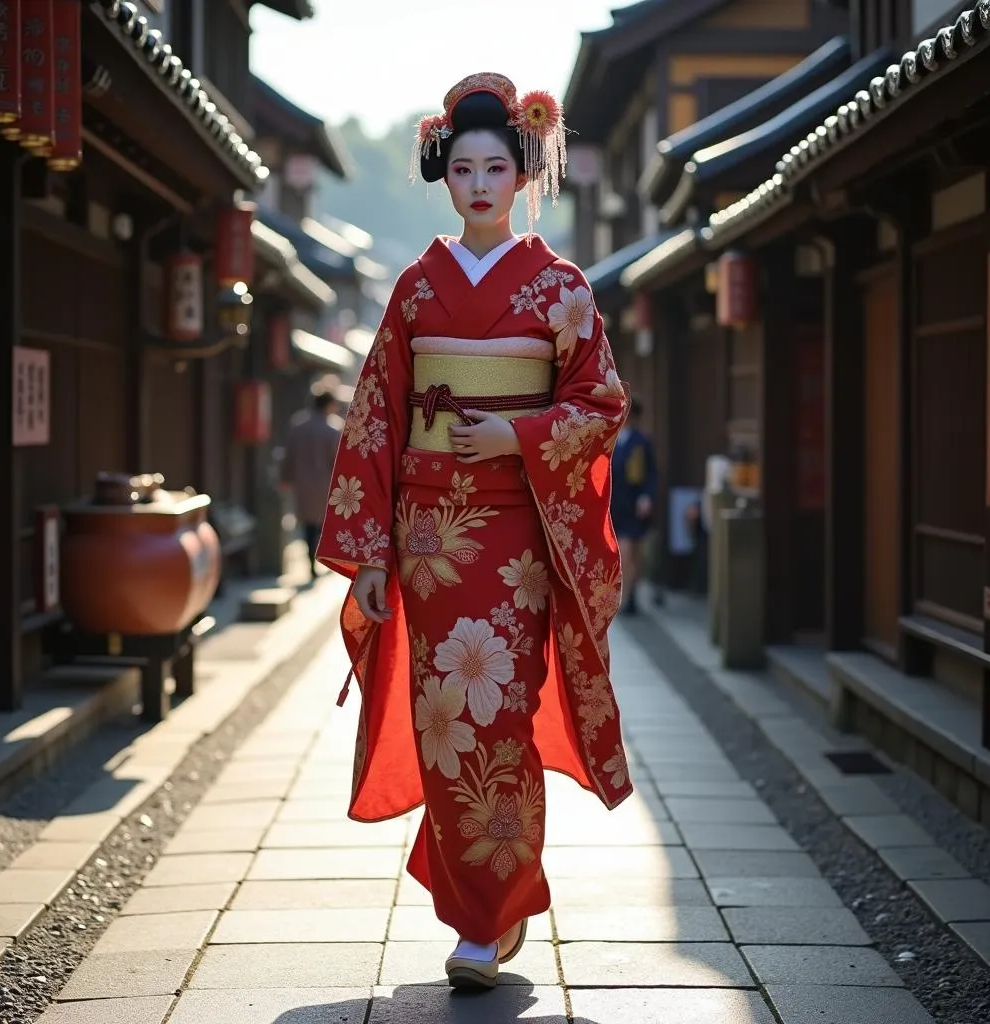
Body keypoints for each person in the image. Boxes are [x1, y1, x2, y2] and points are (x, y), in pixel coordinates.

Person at [316, 72, 632, 992]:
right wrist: (369, 553)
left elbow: (600, 401)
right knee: (445, 718)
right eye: (465, 169)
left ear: (524, 172)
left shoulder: (560, 287)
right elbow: (376, 419)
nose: (482, 183)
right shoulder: (416, 289)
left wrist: (518, 432)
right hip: (428, 541)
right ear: (443, 178)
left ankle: (488, 913)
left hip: (518, 540)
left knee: (496, 710)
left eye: (498, 166)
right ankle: (480, 912)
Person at [281, 386, 341, 582]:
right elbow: (339, 460)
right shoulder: (333, 429)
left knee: (308, 525)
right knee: (328, 523)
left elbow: (288, 455)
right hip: (328, 483)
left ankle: (310, 564)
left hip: (303, 483)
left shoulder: (299, 425)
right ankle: (327, 560)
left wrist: (285, 477)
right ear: (329, 405)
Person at [610, 397, 660, 614]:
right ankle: (626, 593)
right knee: (621, 550)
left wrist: (646, 497)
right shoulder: (611, 438)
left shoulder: (642, 442)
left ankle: (628, 594)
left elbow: (651, 475)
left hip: (633, 503)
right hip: (613, 502)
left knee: (630, 551)